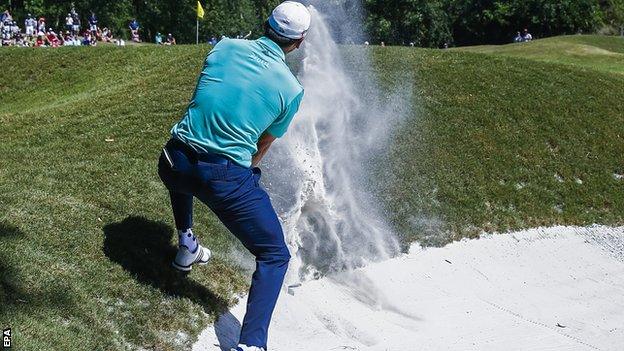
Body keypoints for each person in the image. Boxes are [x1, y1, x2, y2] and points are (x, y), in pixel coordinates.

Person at [157, 2, 310, 351]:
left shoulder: (224, 45)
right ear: (299, 43)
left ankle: (187, 246)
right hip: (222, 177)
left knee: (187, 175)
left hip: (172, 160)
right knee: (275, 255)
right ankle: (252, 345)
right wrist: (238, 176)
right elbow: (262, 145)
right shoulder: (291, 90)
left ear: (265, 24)